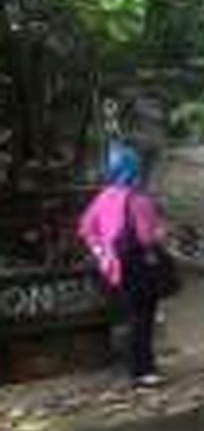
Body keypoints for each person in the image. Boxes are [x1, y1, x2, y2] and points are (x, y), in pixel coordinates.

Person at [78, 141, 169, 387]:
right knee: (144, 319)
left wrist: (102, 253)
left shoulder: (103, 197)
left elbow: (86, 228)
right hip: (139, 266)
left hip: (113, 268)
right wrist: (161, 233)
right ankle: (144, 370)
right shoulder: (139, 201)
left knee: (128, 317)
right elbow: (147, 237)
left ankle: (132, 368)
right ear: (135, 170)